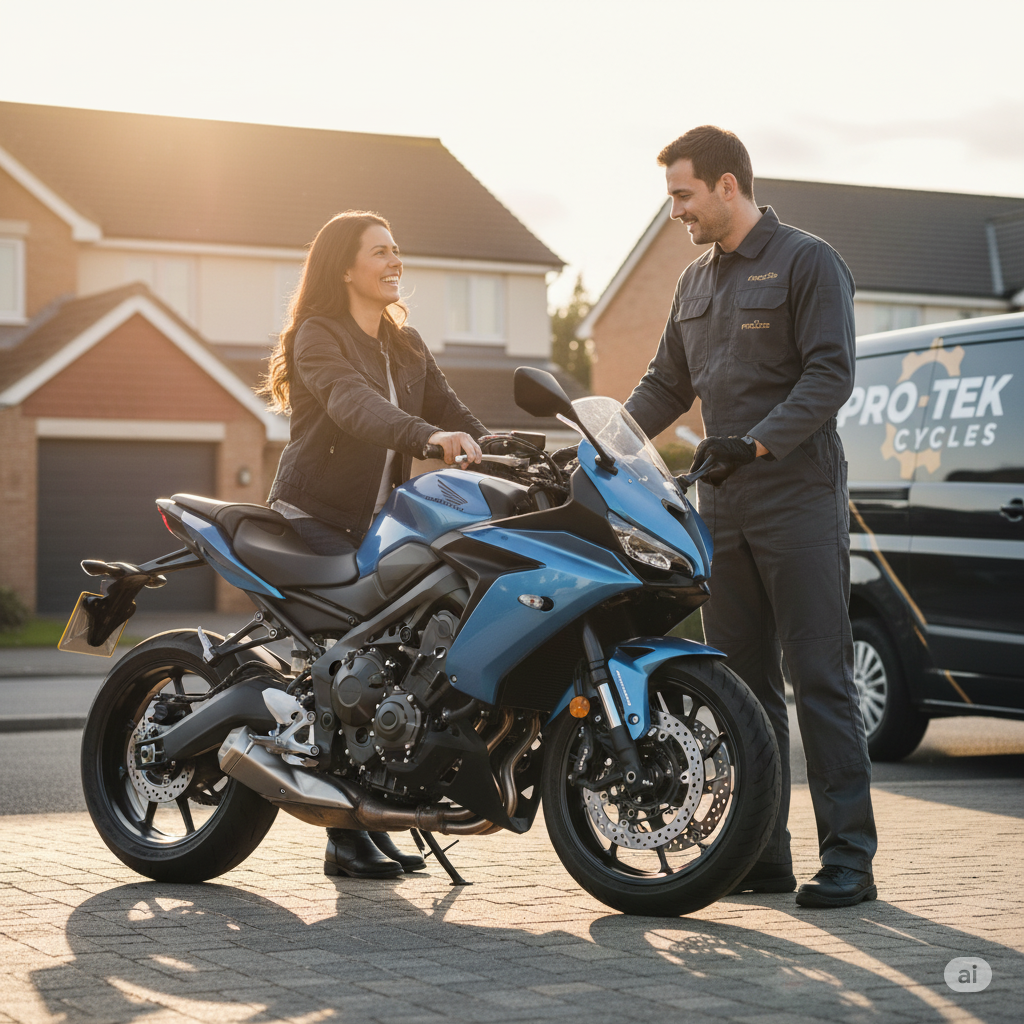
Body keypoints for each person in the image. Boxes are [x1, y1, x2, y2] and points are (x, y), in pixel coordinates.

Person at [624, 126, 877, 908]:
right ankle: (761, 856)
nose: (676, 212)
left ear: (728, 185)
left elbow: (831, 373)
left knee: (819, 679)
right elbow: (666, 384)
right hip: (720, 506)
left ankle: (849, 860)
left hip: (796, 498)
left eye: (684, 195)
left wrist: (759, 445)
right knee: (738, 685)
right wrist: (602, 444)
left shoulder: (808, 261)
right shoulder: (693, 283)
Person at [260, 210, 488, 879]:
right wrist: (425, 438)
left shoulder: (407, 344)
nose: (394, 261)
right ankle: (344, 835)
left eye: (397, 249)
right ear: (345, 267)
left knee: (400, 659)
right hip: (313, 517)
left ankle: (374, 813)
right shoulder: (318, 336)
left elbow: (461, 419)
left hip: (378, 523)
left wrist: (523, 456)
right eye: (380, 251)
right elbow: (355, 406)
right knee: (353, 655)